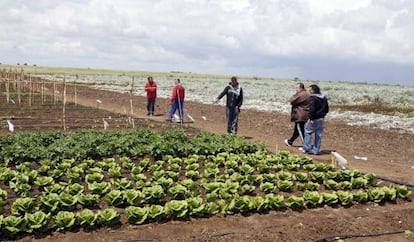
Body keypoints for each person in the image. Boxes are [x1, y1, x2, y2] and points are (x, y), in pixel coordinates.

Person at [301, 84, 329, 155]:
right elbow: (327, 109)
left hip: (314, 119)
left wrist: (310, 118)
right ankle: (316, 150)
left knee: (308, 132)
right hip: (321, 119)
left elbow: (312, 109)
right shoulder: (324, 98)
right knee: (318, 135)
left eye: (310, 89)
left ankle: (307, 148)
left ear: (313, 90)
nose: (308, 91)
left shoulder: (313, 98)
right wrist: (323, 115)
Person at [284, 83, 310, 147]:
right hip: (305, 114)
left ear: (301, 88)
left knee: (300, 130)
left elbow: (292, 101)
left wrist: (295, 95)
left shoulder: (301, 94)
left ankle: (306, 146)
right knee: (297, 130)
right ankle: (290, 141)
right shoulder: (307, 93)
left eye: (297, 88)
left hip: (300, 115)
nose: (296, 89)